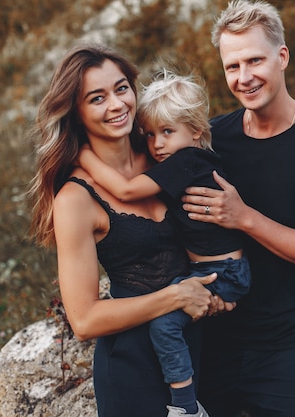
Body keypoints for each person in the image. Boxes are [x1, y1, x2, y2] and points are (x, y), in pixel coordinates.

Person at [27, 44, 222, 417]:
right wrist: (176, 296)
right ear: (77, 112)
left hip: (203, 353)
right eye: (97, 98)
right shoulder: (75, 199)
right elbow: (84, 321)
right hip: (133, 373)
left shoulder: (163, 150)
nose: (116, 105)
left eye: (121, 89)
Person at [181, 1, 295, 416]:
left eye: (254, 61)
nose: (244, 78)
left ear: (282, 57)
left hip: (288, 352)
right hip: (216, 339)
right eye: (231, 67)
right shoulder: (214, 138)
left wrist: (244, 217)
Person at [78, 70, 251, 417]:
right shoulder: (178, 159)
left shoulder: (183, 161)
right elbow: (82, 319)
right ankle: (186, 404)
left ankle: (185, 405)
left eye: (167, 133)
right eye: (151, 134)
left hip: (213, 281)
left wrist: (83, 156)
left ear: (195, 132)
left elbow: (127, 190)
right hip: (135, 358)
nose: (157, 144)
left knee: (165, 326)